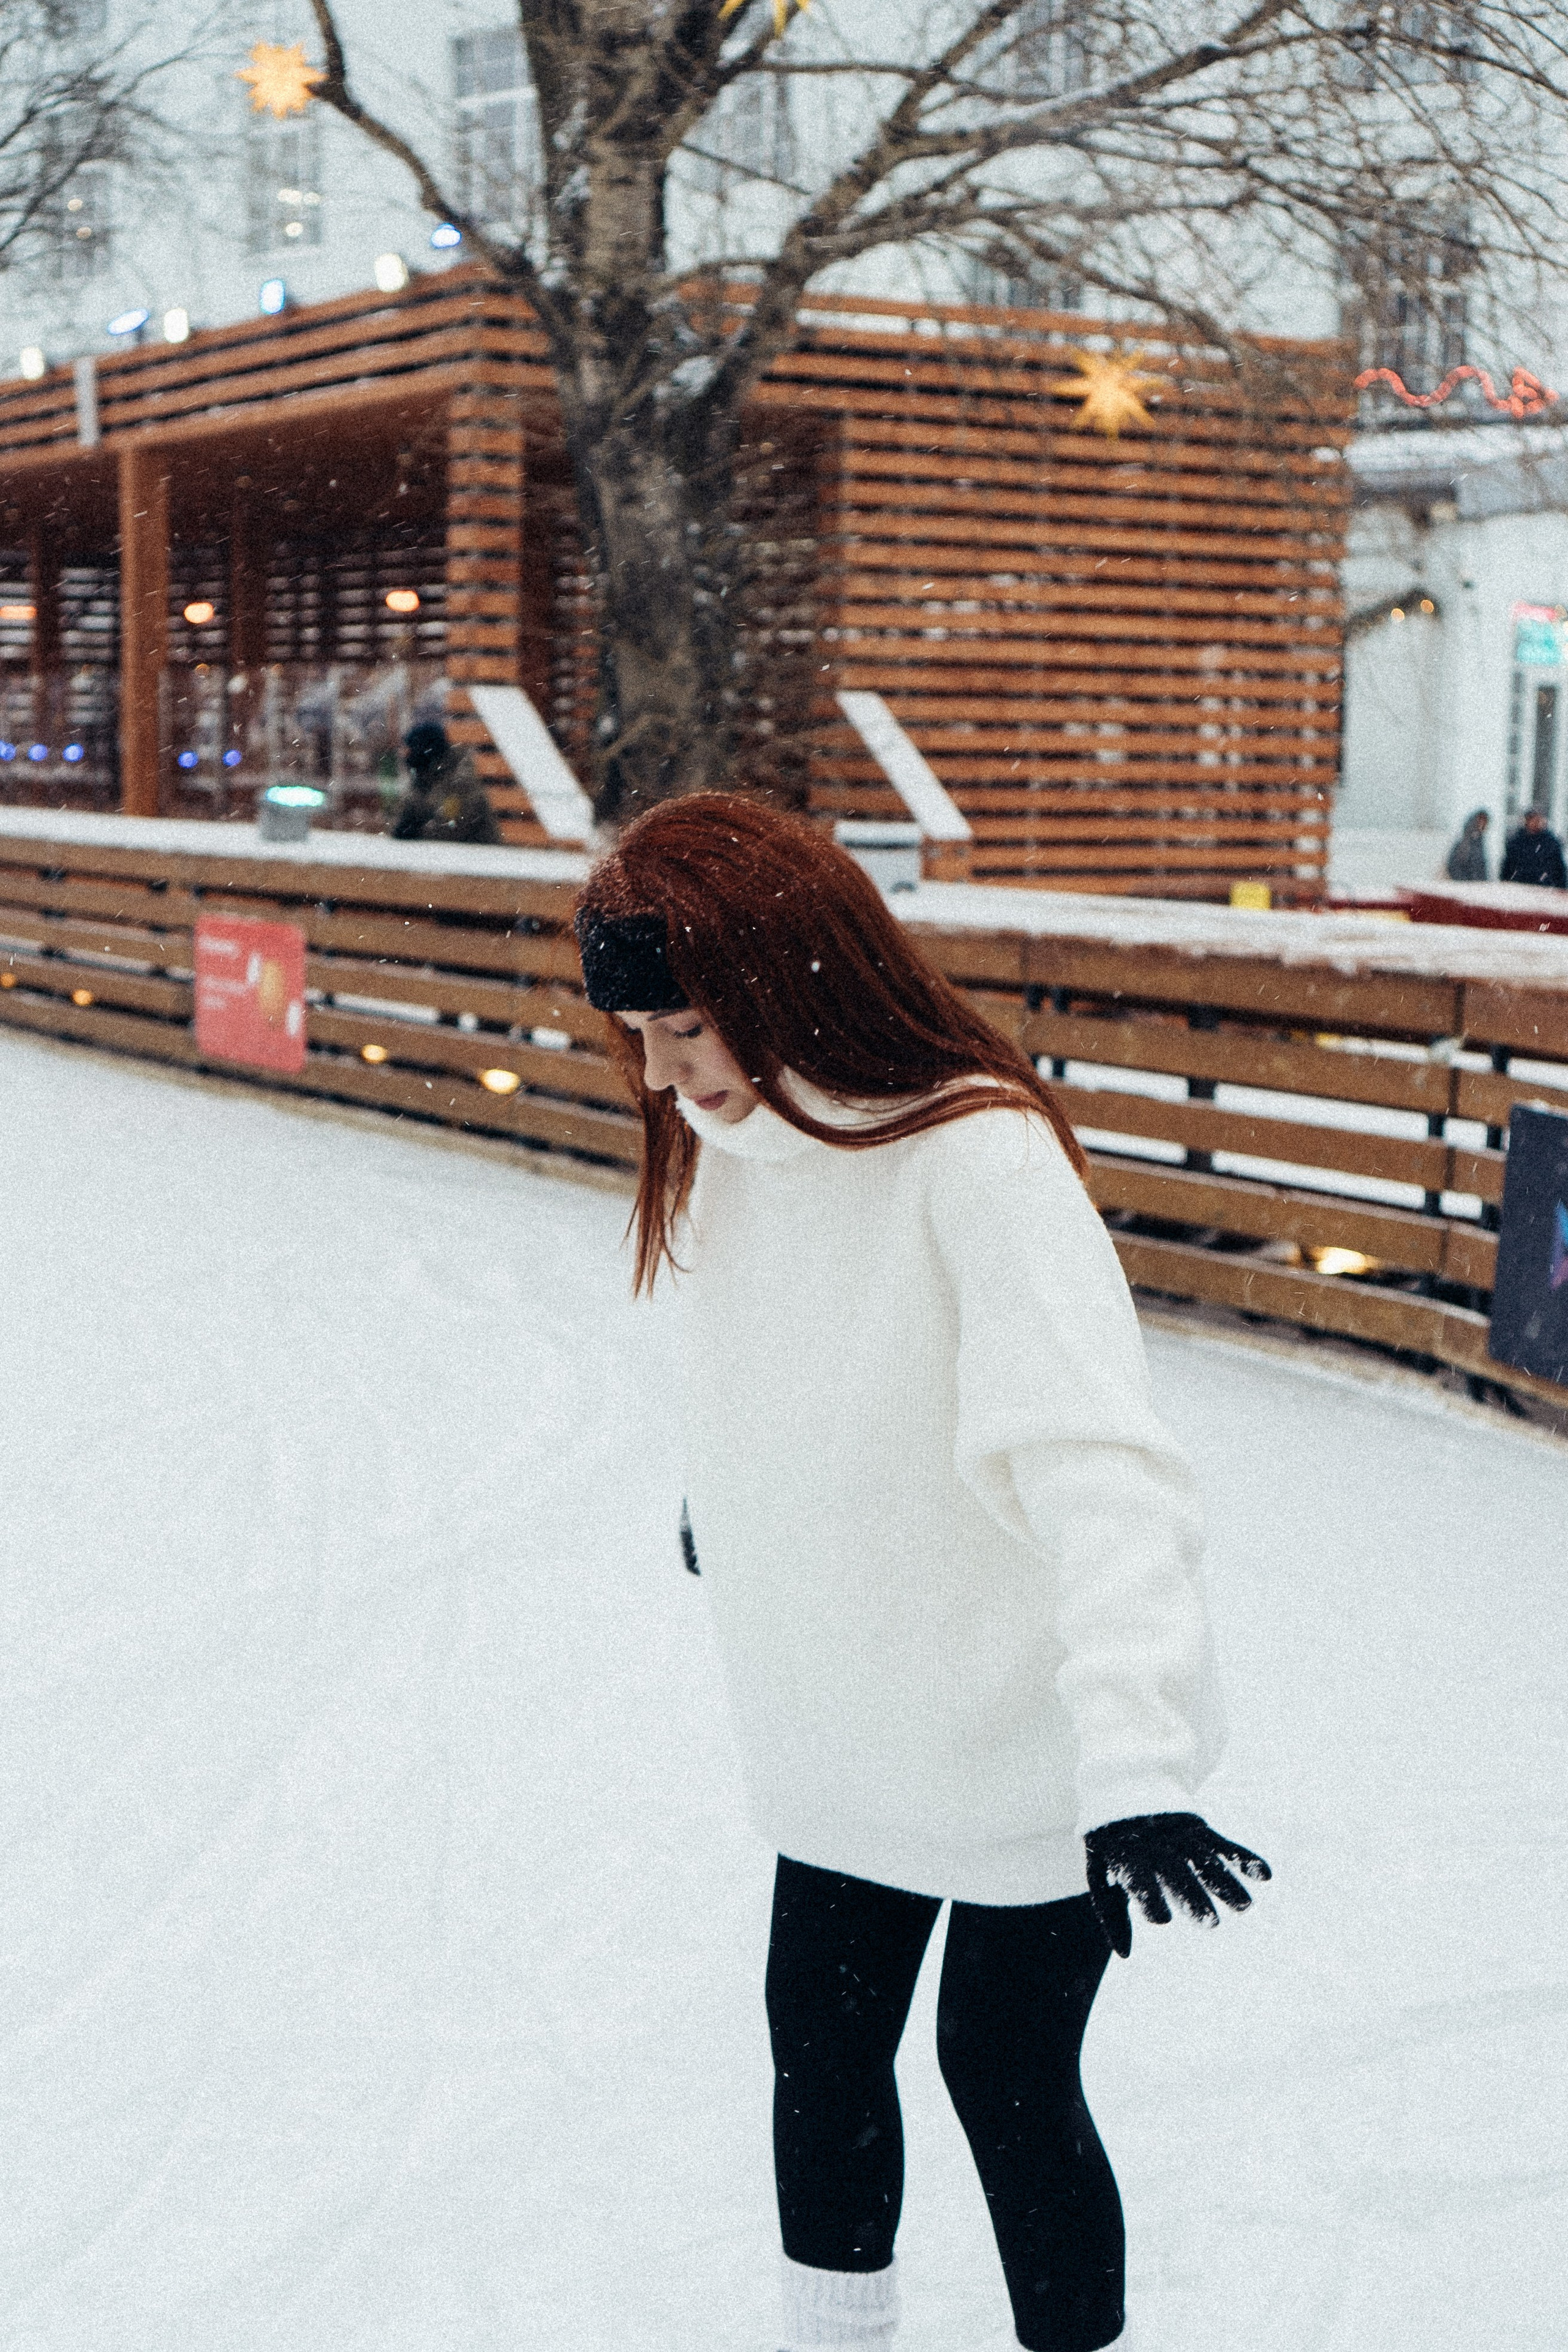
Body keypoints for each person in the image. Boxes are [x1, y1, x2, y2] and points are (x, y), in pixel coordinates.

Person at [573, 796, 1269, 2352]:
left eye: (686, 1026)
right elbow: (776, 1364)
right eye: (638, 1035)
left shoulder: (974, 1154)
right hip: (841, 1719)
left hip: (1026, 1735)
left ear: (780, 972)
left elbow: (1099, 1464)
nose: (666, 1074)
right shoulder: (736, 1141)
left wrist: (1136, 1759)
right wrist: (738, 1503)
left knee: (998, 2075)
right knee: (814, 2051)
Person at [388, 720, 501, 845]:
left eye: (409, 750)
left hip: (481, 860)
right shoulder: (423, 779)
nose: (404, 755)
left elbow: (450, 832)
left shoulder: (461, 783)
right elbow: (400, 823)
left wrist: (414, 832)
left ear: (424, 750)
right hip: (447, 859)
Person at [1500, 805, 1568, 889]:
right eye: (1532, 819)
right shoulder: (1516, 842)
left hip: (1544, 889)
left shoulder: (1551, 843)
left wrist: (1561, 889)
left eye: (1538, 819)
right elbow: (1508, 867)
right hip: (1519, 888)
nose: (1535, 823)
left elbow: (1559, 870)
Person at [1444, 807, 1490, 882]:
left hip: (1479, 888)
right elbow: (1453, 865)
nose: (1482, 825)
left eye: (1484, 822)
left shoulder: (1480, 844)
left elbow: (1482, 868)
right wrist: (1464, 882)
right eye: (1480, 821)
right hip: (1466, 888)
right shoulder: (1463, 843)